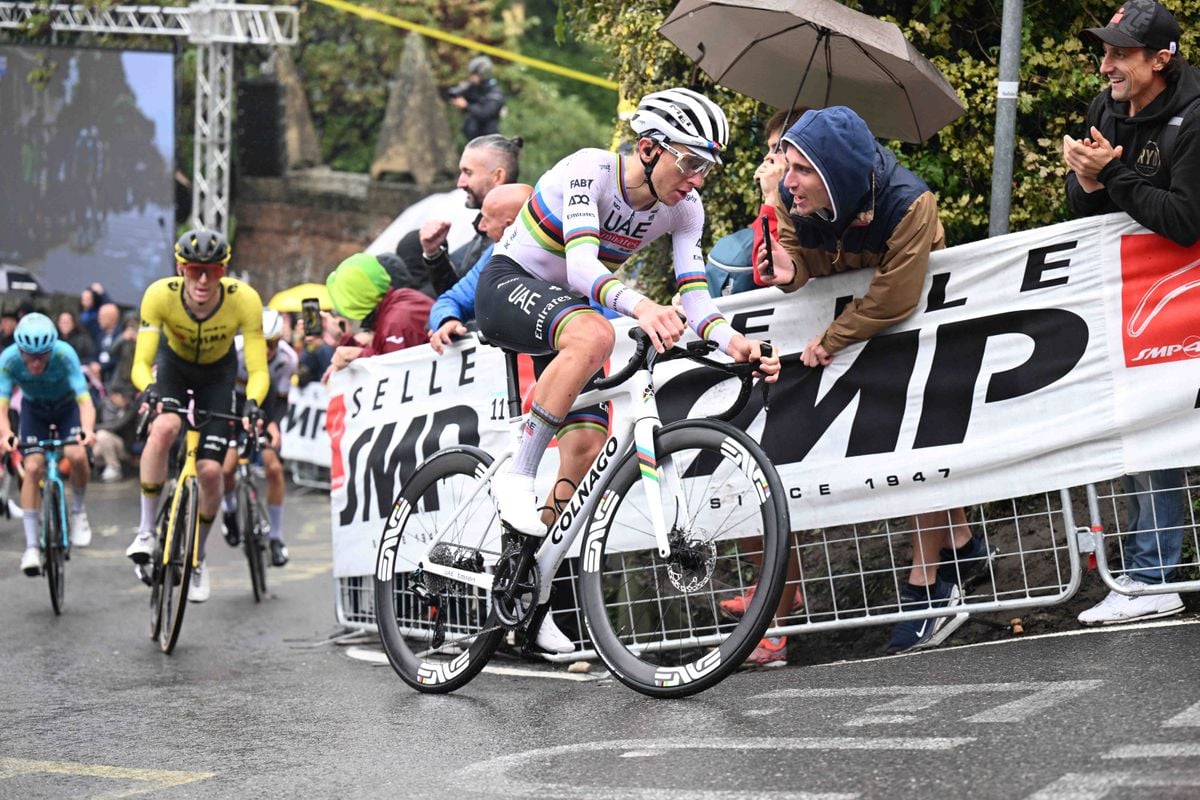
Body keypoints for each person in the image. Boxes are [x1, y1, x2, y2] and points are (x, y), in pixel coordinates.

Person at [475, 87, 781, 654]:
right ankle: (516, 474)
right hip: (510, 287)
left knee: (586, 446)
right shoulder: (590, 171)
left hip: (565, 309)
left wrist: (731, 340)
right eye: (690, 162)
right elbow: (583, 264)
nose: (696, 179)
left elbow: (695, 298)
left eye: (707, 169)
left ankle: (527, 590)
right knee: (594, 333)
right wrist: (641, 306)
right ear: (647, 148)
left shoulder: (684, 208)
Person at [756, 106, 991, 656]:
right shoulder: (791, 200)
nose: (785, 180)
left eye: (799, 169)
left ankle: (928, 586)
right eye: (783, 166)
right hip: (847, 334)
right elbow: (792, 264)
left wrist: (833, 337)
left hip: (904, 329)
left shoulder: (910, 202)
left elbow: (898, 296)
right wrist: (787, 272)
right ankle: (964, 544)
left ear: (835, 170)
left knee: (920, 444)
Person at [1062, 0, 1197, 624]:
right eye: (1105, 50)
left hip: (1185, 293)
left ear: (1161, 59)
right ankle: (1151, 575)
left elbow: (1184, 221)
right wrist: (1086, 182)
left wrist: (1112, 175)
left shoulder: (1194, 118)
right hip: (1143, 306)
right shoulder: (1106, 109)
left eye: (1121, 53)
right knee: (1145, 428)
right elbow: (1089, 214)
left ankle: (1154, 572)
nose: (1106, 65)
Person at [124, 229, 269, 604]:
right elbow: (140, 363)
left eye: (212, 270)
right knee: (166, 426)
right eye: (193, 270)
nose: (203, 280)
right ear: (180, 269)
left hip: (219, 376)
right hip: (174, 369)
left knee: (211, 472)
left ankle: (198, 556)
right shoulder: (159, 295)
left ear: (224, 270)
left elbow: (257, 371)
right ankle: (144, 532)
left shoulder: (245, 301)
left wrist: (253, 402)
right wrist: (150, 388)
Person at [0, 313, 97, 575]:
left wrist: (87, 430)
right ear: (19, 349)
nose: (34, 362)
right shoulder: (8, 360)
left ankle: (78, 512)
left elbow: (84, 400)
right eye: (29, 356)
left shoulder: (65, 355)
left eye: (42, 356)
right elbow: (2, 405)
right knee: (32, 468)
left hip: (67, 409)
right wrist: (6, 434)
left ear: (51, 349)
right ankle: (32, 546)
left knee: (76, 455)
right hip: (34, 411)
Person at [221, 308, 299, 567]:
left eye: (272, 344)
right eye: (261, 344)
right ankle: (230, 512)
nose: (266, 351)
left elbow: (281, 400)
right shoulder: (236, 351)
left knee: (274, 469)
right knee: (226, 469)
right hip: (232, 406)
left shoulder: (288, 359)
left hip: (263, 409)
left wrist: (274, 425)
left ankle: (276, 537)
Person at [706, 106, 806, 297]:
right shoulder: (786, 199)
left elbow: (766, 272)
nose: (768, 157)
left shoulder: (810, 200)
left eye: (778, 148)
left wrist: (771, 197)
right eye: (769, 148)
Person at [409, 134, 524, 295]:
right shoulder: (484, 230)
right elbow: (459, 297)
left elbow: (472, 307)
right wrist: (434, 254)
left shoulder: (514, 239)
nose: (460, 183)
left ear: (498, 176)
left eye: (468, 173)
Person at [323, 252, 434, 377]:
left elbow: (395, 373)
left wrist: (359, 355)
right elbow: (384, 353)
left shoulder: (396, 319)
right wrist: (342, 339)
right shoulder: (397, 303)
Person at [445, 55, 505, 141]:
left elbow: (485, 113)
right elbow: (452, 94)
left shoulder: (495, 92)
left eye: (474, 74)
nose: (471, 77)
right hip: (472, 138)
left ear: (483, 74)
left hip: (487, 140)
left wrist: (466, 105)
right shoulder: (475, 88)